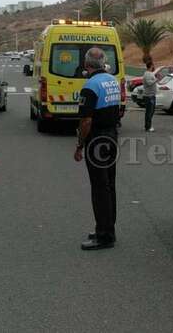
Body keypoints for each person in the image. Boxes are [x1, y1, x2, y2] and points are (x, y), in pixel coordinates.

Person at [74, 47, 120, 251]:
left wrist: (80, 145)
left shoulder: (90, 86)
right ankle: (108, 228)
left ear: (86, 64)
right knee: (109, 185)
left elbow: (85, 121)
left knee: (99, 188)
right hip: (112, 137)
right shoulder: (112, 80)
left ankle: (104, 235)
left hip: (97, 140)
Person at [142, 60, 157, 132]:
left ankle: (148, 125)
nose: (154, 66)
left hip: (152, 95)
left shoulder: (151, 73)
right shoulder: (147, 74)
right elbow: (149, 83)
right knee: (149, 112)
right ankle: (148, 127)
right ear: (151, 66)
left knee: (151, 111)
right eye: (153, 65)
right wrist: (155, 80)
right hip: (149, 96)